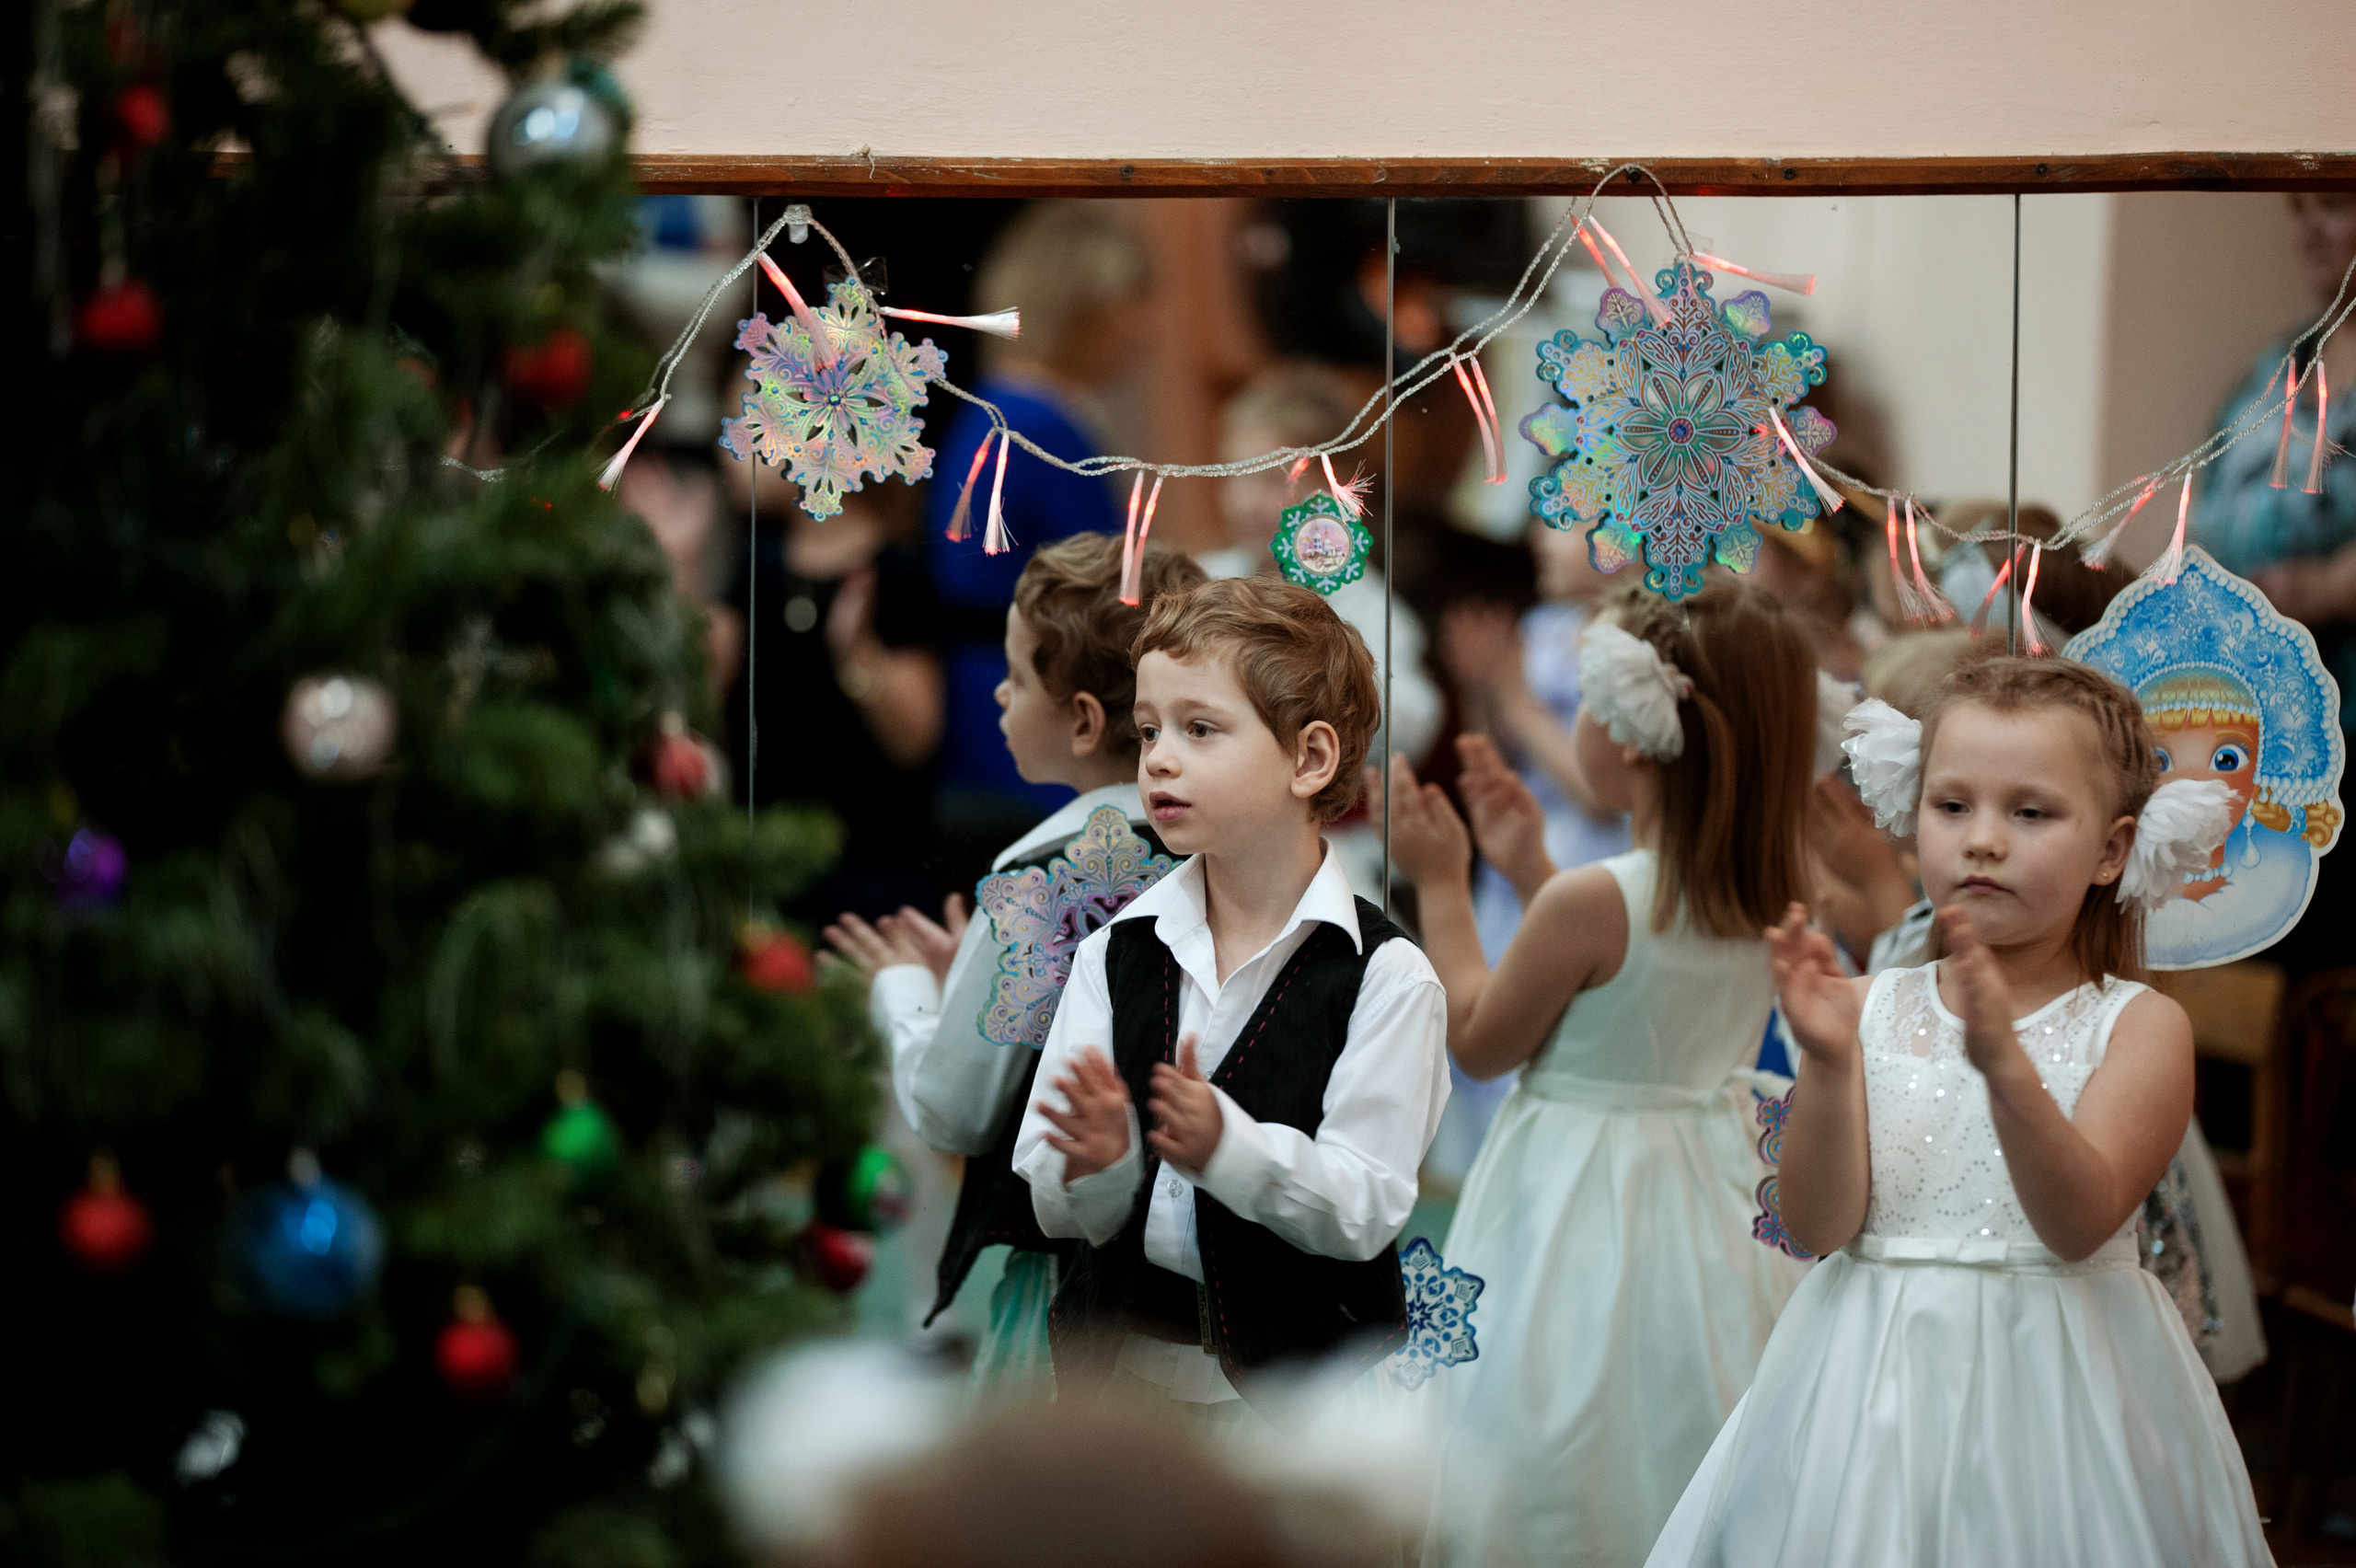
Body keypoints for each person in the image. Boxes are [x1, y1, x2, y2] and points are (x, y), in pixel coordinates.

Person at [1646, 656, 2269, 1568]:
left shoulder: (2140, 1028)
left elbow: (2074, 1222)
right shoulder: (1864, 1006)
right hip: (1868, 1381)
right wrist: (1823, 1059)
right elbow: (1819, 1224)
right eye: (1952, 806)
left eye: (2030, 812)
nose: (1981, 841)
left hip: (2059, 1390)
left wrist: (2005, 1069)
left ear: (2110, 849)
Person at [1385, 583, 1818, 1568]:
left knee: (1564, 1414)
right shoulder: (1772, 882)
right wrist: (1532, 864)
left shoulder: (1592, 899)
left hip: (1579, 1192)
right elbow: (1627, 993)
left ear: (1627, 733)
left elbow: (1482, 1040)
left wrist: (1443, 884)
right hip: (1705, 1185)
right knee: (1674, 1405)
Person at [1011, 576, 1450, 1427]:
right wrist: (1101, 1163)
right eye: (1147, 732)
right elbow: (1050, 1194)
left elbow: (1364, 1205)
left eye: (1200, 729)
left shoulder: (1388, 977)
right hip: (1127, 1389)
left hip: (1299, 1411)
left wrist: (1227, 1146)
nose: (1159, 759)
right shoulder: (1118, 952)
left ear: (1310, 759)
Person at [824, 536, 1207, 1407]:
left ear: (1079, 718)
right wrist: (978, 976)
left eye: (1015, 675)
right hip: (1218, 1295)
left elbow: (952, 1109)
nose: (998, 693)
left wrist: (906, 991)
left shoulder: (1048, 875)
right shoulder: (1222, 854)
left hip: (1078, 1308)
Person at [928, 204, 1154, 883]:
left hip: (984, 716)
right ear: (1086, 305)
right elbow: (1118, 594)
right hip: (1033, 739)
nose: (1145, 327)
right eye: (1133, 300)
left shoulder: (995, 410)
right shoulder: (1044, 428)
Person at [1202, 362, 1446, 898]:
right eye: (1233, 475)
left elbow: (1413, 718)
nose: (1245, 500)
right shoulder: (1204, 580)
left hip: (1335, 855)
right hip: (1217, 846)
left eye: (1270, 480)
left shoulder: (1360, 602)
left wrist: (1313, 689)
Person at [716, 451, 943, 920]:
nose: (729, 452)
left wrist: (856, 654)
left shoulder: (895, 571)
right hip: (762, 865)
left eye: (753, 431)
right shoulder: (754, 563)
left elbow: (915, 740)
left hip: (871, 872)